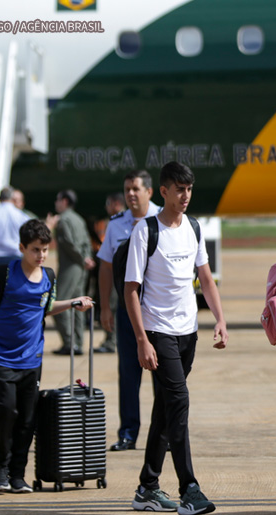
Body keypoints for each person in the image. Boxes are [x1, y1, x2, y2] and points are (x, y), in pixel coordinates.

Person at [126, 162, 227, 515]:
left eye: (189, 189)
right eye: (178, 189)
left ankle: (147, 488)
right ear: (164, 191)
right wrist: (141, 339)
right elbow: (131, 290)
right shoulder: (146, 231)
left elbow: (206, 278)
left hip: (188, 333)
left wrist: (219, 319)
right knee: (179, 402)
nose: (185, 196)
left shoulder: (194, 228)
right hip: (158, 331)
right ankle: (190, 489)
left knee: (166, 409)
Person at [0, 219, 93, 492]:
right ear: (21, 247)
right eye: (35, 249)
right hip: (0, 356)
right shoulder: (3, 274)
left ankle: (17, 475)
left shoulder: (49, 277)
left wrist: (72, 303)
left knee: (26, 419)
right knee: (5, 411)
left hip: (31, 358)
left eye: (45, 250)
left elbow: (45, 308)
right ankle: (0, 469)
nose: (41, 255)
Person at [98, 172, 161, 451]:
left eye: (136, 189)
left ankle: (165, 433)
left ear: (149, 191)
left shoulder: (164, 218)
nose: (131, 194)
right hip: (127, 311)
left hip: (160, 311)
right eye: (127, 189)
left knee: (164, 376)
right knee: (128, 373)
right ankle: (128, 433)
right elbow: (106, 266)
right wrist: (105, 307)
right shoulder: (116, 225)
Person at [52, 189, 95, 355]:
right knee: (79, 305)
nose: (56, 204)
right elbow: (86, 242)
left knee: (59, 304)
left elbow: (69, 244)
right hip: (81, 268)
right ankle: (78, 343)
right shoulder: (78, 219)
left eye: (57, 200)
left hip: (70, 266)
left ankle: (69, 343)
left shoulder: (63, 220)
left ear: (64, 201)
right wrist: (87, 258)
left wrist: (81, 259)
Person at [92, 192, 125, 354]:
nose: (107, 207)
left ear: (116, 204)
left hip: (115, 273)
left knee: (112, 306)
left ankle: (111, 341)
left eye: (108, 203)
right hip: (118, 273)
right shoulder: (121, 222)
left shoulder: (117, 223)